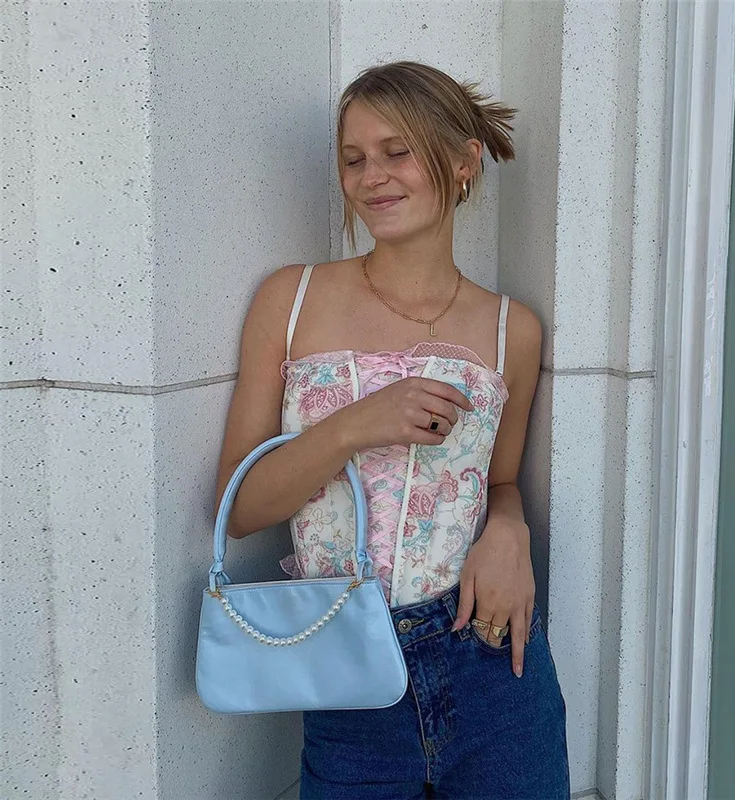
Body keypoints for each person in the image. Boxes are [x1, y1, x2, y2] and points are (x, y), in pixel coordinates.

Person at [215, 60, 569, 799]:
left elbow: (501, 480)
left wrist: (511, 531)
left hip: (490, 655)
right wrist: (354, 425)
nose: (372, 177)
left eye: (397, 151)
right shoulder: (290, 298)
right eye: (354, 159)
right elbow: (239, 508)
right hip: (345, 668)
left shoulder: (514, 329)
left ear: (464, 161)